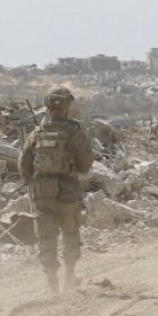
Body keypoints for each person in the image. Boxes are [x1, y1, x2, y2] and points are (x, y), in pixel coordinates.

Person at [19, 86, 95, 292]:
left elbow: (23, 166)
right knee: (70, 231)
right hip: (68, 191)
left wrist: (34, 182)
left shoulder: (36, 133)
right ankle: (70, 276)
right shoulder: (74, 132)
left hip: (42, 192)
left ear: (48, 106)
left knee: (46, 235)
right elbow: (86, 164)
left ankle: (51, 280)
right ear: (67, 107)